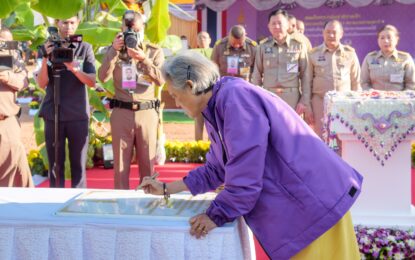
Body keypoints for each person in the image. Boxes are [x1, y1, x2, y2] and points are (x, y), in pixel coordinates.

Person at [140, 51, 363, 259]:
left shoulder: (235, 99)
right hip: (305, 202)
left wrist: (217, 214)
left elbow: (245, 171)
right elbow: (217, 168)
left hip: (314, 203)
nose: (177, 104)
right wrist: (168, 189)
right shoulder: (218, 103)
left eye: (176, 96)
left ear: (190, 86)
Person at [98, 11, 165, 189]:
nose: (132, 34)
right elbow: (103, 77)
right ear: (121, 29)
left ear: (143, 28)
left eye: (135, 29)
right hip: (122, 112)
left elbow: (161, 80)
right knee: (120, 166)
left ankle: (149, 201)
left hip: (146, 112)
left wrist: (145, 60)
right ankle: (121, 205)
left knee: (147, 165)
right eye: (128, 29)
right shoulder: (114, 50)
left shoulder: (153, 51)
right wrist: (113, 50)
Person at [35, 15, 96, 188]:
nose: (68, 26)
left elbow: (92, 82)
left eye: (72, 23)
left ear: (77, 24)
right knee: (55, 166)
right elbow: (41, 83)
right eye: (64, 22)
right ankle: (55, 201)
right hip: (53, 114)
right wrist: (46, 57)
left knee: (78, 165)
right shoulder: (47, 47)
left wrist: (74, 69)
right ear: (57, 23)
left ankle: (78, 203)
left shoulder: (85, 48)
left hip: (78, 114)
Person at [252, 9, 312, 119]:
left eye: (280, 23)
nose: (276, 26)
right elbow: (256, 75)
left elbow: (306, 76)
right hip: (269, 97)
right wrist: (256, 99)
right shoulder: (263, 47)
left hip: (292, 99)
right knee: (271, 133)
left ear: (288, 25)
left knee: (292, 133)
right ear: (268, 26)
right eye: (273, 23)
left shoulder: (298, 46)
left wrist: (304, 101)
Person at [305, 20, 361, 137]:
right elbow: (307, 82)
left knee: (343, 136)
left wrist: (357, 105)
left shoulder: (350, 54)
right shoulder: (313, 54)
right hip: (319, 102)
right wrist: (307, 105)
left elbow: (356, 82)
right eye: (328, 32)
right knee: (321, 136)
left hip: (344, 103)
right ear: (323, 33)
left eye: (334, 32)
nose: (331, 35)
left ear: (341, 34)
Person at [0, 27, 34, 187]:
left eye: (7, 41)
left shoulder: (12, 56)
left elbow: (23, 81)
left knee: (15, 174)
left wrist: (7, 77)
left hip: (6, 122)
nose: (3, 44)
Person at [361, 24, 415, 91]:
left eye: (389, 37)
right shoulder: (370, 58)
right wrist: (372, 94)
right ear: (378, 40)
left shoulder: (405, 58)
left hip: (400, 100)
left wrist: (403, 97)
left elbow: (411, 84)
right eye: (382, 38)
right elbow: (364, 83)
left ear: (396, 39)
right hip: (374, 99)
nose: (386, 41)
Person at [192, 31, 213, 141]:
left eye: (205, 37)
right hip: (198, 91)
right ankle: (198, 145)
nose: (202, 39)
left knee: (212, 121)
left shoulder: (214, 52)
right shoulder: (192, 53)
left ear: (210, 40)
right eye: (200, 37)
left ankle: (213, 146)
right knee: (198, 120)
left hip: (212, 92)